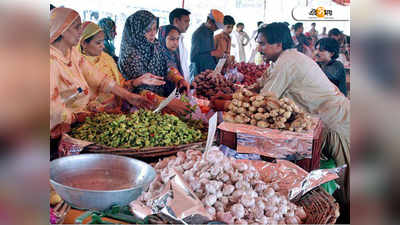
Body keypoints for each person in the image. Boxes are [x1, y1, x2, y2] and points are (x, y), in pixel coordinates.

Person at [211, 22, 350, 206]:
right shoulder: (281, 60)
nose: (259, 48)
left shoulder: (288, 62)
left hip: (336, 122)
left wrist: (224, 104)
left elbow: (265, 100)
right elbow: (258, 87)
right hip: (322, 120)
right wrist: (230, 96)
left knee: (349, 180)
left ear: (279, 44)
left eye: (263, 44)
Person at [50, 7, 153, 139]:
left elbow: (98, 79)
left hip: (77, 124)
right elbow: (51, 108)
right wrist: (76, 117)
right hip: (56, 130)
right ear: (62, 30)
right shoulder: (50, 61)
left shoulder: (72, 54)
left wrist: (128, 96)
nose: (80, 31)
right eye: (77, 27)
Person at [77, 21, 166, 113]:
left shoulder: (106, 59)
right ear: (84, 43)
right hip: (92, 119)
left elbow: (119, 86)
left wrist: (138, 81)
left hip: (117, 113)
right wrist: (101, 109)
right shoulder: (77, 64)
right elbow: (76, 100)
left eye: (103, 41)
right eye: (98, 43)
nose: (103, 46)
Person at [118, 10, 190, 114]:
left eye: (155, 29)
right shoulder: (130, 55)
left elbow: (167, 66)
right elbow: (138, 90)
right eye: (148, 30)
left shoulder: (155, 45)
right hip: (138, 109)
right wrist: (166, 102)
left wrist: (178, 79)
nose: (153, 33)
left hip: (159, 104)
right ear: (137, 30)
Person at [190, 9, 224, 78]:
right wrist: (212, 53)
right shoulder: (198, 34)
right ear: (209, 21)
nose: (217, 29)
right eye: (216, 26)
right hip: (201, 74)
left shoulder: (210, 32)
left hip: (210, 72)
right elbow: (193, 58)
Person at [164, 8, 191, 83]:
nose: (188, 25)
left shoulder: (181, 39)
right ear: (176, 21)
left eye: (189, 22)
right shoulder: (166, 43)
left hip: (183, 85)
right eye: (186, 21)